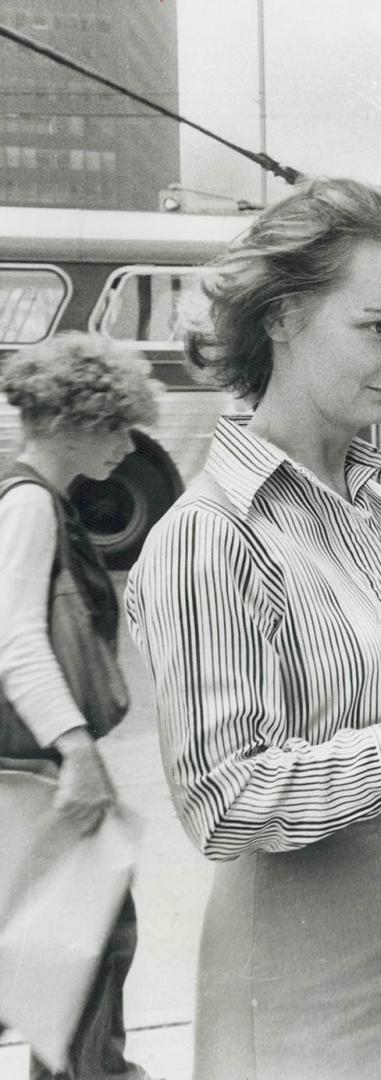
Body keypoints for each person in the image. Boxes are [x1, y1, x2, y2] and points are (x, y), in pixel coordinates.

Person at [124, 178, 381, 1080]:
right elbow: (224, 801)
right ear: (281, 317)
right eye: (379, 327)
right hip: (300, 983)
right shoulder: (211, 535)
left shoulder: (370, 504)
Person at [0, 333, 158, 1080]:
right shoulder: (31, 502)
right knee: (89, 934)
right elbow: (19, 642)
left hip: (29, 757)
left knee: (64, 940)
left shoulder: (26, 495)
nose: (129, 447)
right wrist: (78, 751)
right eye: (118, 427)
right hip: (37, 758)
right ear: (72, 419)